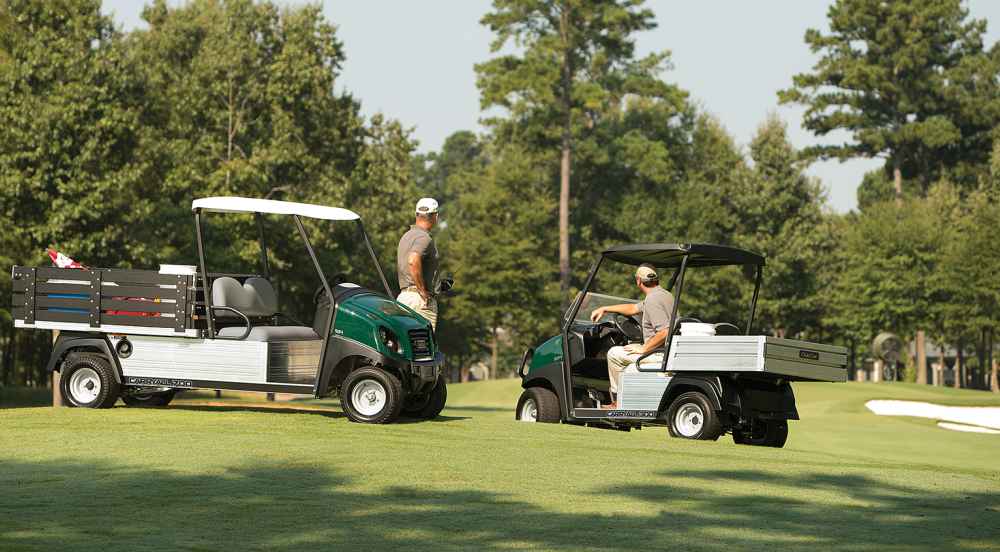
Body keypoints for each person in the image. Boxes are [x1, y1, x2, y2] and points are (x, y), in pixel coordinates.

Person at [589, 264, 674, 409]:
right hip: (665, 351)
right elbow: (633, 308)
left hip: (658, 354)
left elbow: (665, 331)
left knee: (613, 354)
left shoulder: (653, 300)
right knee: (627, 349)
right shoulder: (665, 295)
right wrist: (605, 308)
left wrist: (644, 348)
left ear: (638, 281)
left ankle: (618, 402)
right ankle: (623, 397)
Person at [396, 198, 441, 329]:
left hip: (404, 298)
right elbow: (413, 260)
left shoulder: (406, 236)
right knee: (424, 347)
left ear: (416, 215)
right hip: (420, 301)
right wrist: (422, 291)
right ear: (435, 216)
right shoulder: (424, 238)